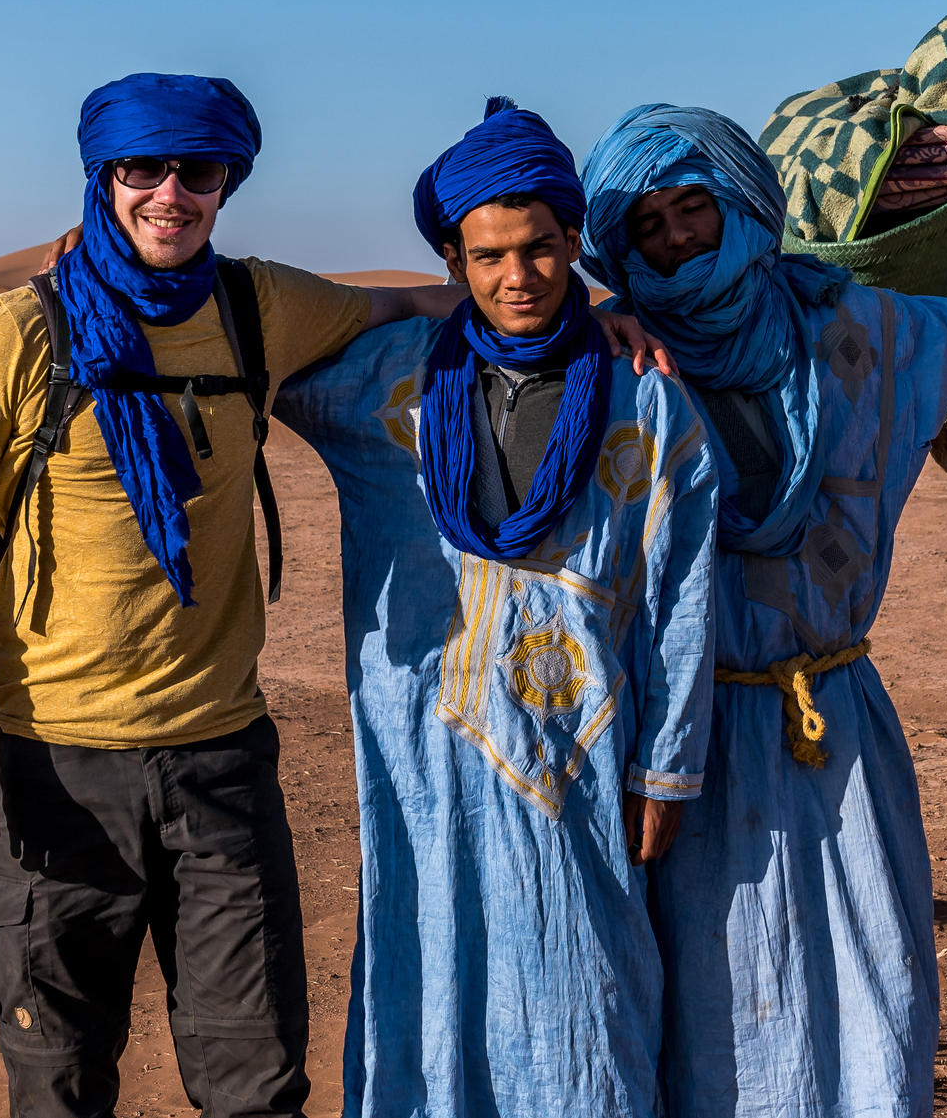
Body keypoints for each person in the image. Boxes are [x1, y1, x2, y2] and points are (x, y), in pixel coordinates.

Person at [0, 72, 483, 1118]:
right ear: (102, 176)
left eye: (196, 171)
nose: (169, 192)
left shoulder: (261, 307)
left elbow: (418, 303)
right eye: (141, 169)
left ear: (226, 182)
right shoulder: (17, 333)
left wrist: (589, 318)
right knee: (59, 1081)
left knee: (254, 1082)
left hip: (220, 762)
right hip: (52, 767)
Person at [577, 105, 947, 1117]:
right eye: (645, 228)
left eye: (693, 208)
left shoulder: (860, 332)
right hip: (668, 748)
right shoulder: (607, 362)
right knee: (696, 999)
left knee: (872, 980)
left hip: (832, 729)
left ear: (741, 202)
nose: (676, 240)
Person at [269, 98, 720, 1118]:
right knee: (431, 973)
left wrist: (668, 767)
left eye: (539, 250)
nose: (517, 279)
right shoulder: (383, 387)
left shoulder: (644, 397)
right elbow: (240, 352)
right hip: (424, 762)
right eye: (486, 258)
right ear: (451, 263)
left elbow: (682, 596)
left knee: (589, 993)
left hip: (584, 756)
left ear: (571, 246)